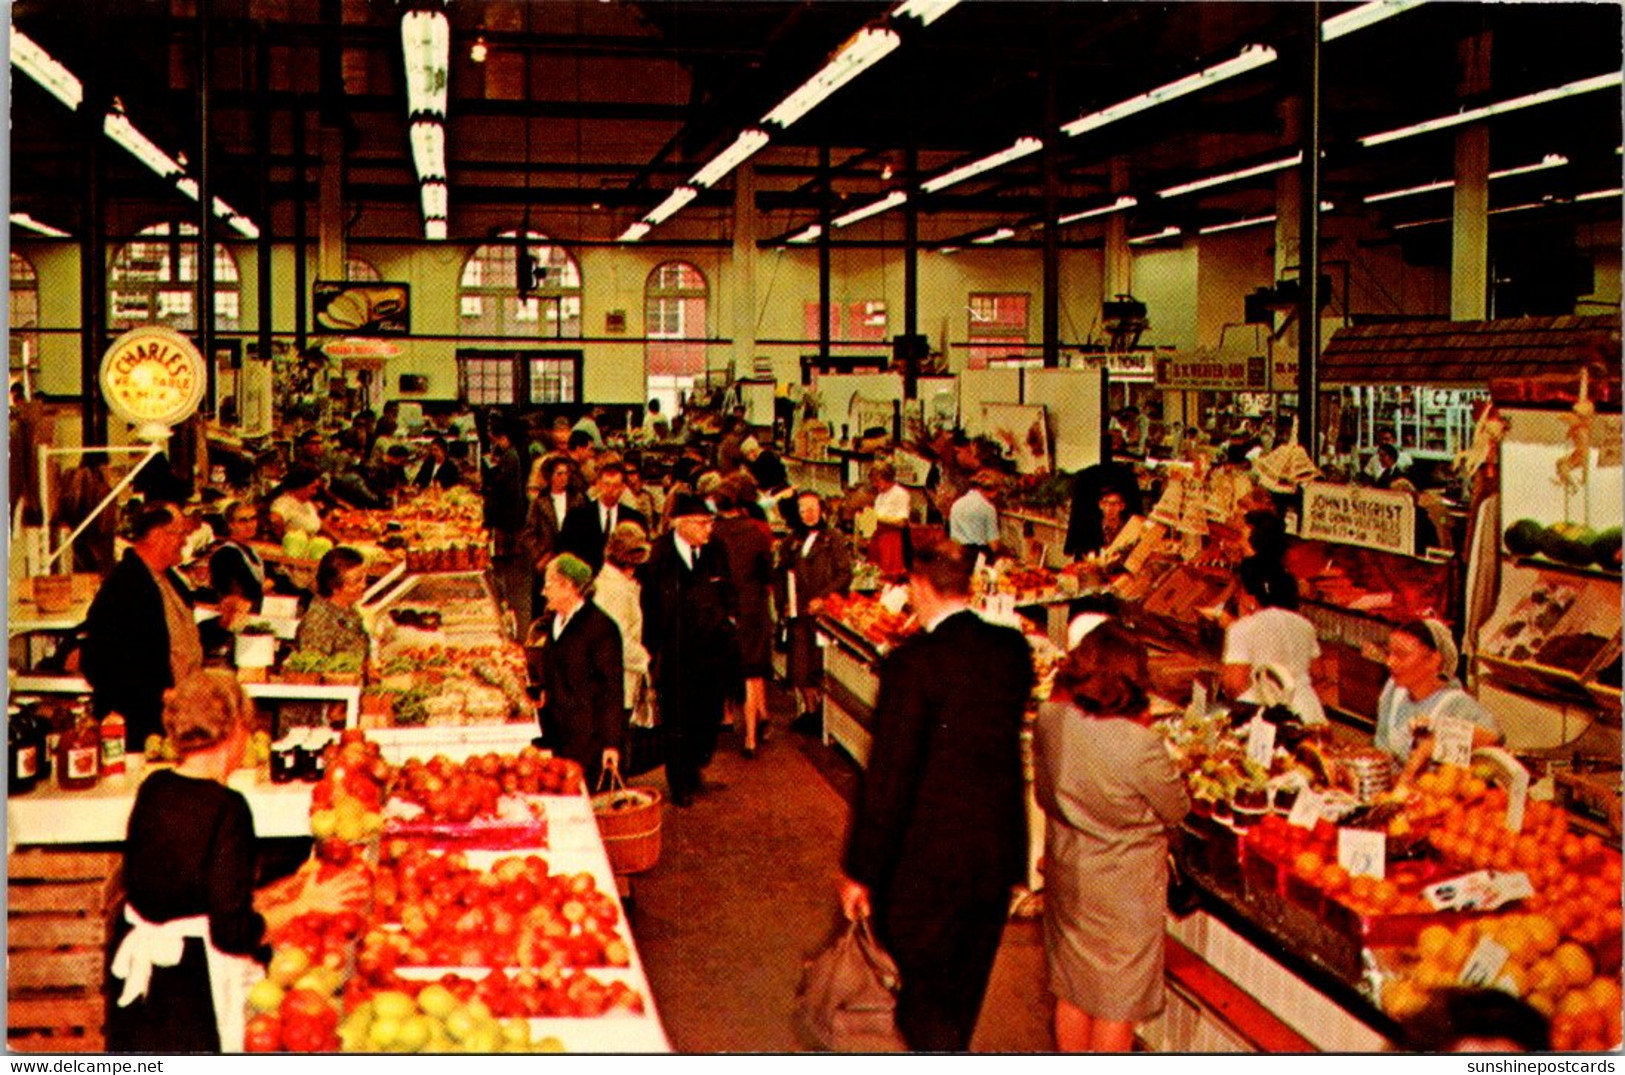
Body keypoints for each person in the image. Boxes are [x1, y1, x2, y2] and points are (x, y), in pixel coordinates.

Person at [839, 540, 1035, 1051]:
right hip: (992, 857)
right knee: (964, 988)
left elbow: (889, 777)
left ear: (921, 586)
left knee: (921, 997)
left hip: (924, 864)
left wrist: (861, 868)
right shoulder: (1011, 651)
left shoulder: (911, 665)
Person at [107, 671, 367, 1053]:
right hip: (192, 998)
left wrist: (282, 891)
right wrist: (307, 904)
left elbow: (190, 896)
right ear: (236, 730)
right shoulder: (227, 809)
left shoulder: (155, 787)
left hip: (142, 992)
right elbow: (232, 933)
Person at [1034, 621, 1189, 1052]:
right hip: (1124, 891)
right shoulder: (1139, 743)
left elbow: (1044, 793)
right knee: (1116, 1006)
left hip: (1069, 876)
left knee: (1072, 992)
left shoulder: (1052, 719)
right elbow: (1177, 808)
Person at [640, 492, 738, 808]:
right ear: (680, 524)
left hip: (713, 651)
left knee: (708, 718)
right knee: (677, 720)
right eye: (702, 524)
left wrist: (729, 620)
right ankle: (680, 782)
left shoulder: (716, 550)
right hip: (676, 653)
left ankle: (696, 764)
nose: (708, 530)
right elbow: (649, 607)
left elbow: (728, 589)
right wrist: (651, 651)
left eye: (710, 523)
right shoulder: (659, 556)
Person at [82, 503, 205, 750]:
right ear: (159, 535)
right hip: (145, 729)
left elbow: (178, 638)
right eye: (180, 533)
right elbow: (100, 664)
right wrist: (160, 694)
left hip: (179, 716)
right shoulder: (124, 587)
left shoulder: (168, 579)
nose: (184, 541)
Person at [533, 554, 625, 789]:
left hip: (586, 741)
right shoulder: (556, 620)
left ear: (569, 587)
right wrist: (543, 689)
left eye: (549, 584)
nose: (544, 591)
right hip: (558, 732)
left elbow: (611, 689)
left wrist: (611, 744)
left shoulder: (601, 629)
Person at [1374, 619, 1501, 782]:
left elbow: (1493, 738)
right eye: (1389, 653)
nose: (1390, 662)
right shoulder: (1394, 690)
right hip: (1393, 790)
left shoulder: (1456, 703)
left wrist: (1436, 738)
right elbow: (1381, 748)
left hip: (1435, 797)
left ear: (1434, 660)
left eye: (1401, 655)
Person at [1219, 558, 1326, 726]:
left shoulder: (1242, 628)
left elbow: (1235, 684)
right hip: (1309, 716)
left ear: (1250, 598)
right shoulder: (1305, 625)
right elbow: (1319, 674)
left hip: (1265, 721)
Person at [779, 490, 853, 733]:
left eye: (812, 509)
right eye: (803, 510)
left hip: (824, 614)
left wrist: (824, 597)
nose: (808, 514)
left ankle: (820, 714)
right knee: (800, 667)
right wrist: (785, 603)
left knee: (818, 665)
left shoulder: (834, 538)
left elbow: (844, 573)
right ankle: (810, 711)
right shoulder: (792, 541)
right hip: (799, 612)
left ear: (822, 510)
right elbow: (782, 573)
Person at [712, 479, 775, 757]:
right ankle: (751, 736)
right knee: (752, 671)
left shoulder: (711, 533)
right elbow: (767, 574)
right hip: (753, 606)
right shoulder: (756, 532)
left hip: (723, 607)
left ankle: (726, 717)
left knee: (726, 666)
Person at [594, 522, 653, 724]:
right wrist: (647, 662)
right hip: (617, 685)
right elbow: (617, 642)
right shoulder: (616, 591)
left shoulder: (609, 583)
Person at [482, 418, 532, 629]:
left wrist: (491, 475)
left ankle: (509, 564)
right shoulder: (509, 453)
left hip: (510, 506)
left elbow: (503, 482)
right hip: (510, 506)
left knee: (510, 538)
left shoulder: (510, 455)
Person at [559, 461, 647, 574]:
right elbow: (565, 554)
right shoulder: (576, 517)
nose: (610, 490)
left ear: (623, 488)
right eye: (606, 484)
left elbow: (641, 558)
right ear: (598, 484)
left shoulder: (635, 519)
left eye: (615, 486)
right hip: (586, 582)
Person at [293, 546, 370, 663]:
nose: (363, 585)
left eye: (364, 579)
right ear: (335, 587)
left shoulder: (349, 611)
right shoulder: (317, 623)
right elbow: (314, 668)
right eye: (357, 581)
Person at [1065, 449, 1143, 558]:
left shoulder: (1129, 531)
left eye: (1114, 504)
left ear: (1122, 506)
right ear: (1100, 505)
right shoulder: (1089, 534)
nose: (1109, 509)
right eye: (1105, 503)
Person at [57, 451, 118, 575]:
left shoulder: (73, 479)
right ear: (103, 466)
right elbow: (105, 528)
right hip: (96, 556)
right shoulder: (102, 489)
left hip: (77, 552)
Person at [867, 459, 911, 579]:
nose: (875, 484)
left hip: (891, 541)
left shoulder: (900, 494)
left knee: (889, 577)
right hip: (878, 539)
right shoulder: (880, 496)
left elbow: (902, 522)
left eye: (877, 481)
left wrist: (877, 518)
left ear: (887, 477)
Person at [948, 468, 1002, 566]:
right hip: (979, 556)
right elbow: (994, 545)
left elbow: (953, 535)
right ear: (992, 490)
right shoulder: (988, 508)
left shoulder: (956, 504)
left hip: (958, 553)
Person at [268, 466, 328, 539]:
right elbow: (274, 519)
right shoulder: (284, 502)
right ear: (301, 486)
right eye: (313, 488)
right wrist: (283, 538)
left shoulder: (307, 503)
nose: (315, 492)